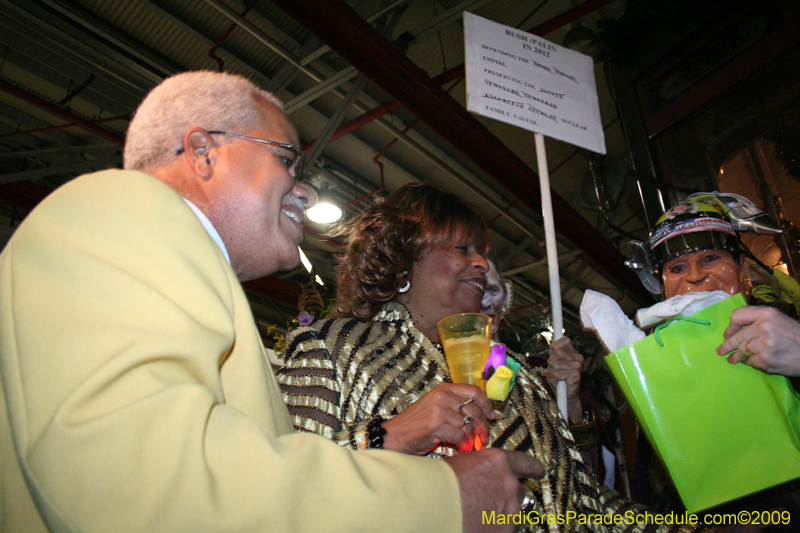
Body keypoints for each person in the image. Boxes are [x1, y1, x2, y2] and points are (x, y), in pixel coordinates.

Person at [0, 71, 543, 533]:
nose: (303, 190)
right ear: (201, 151)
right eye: (287, 158)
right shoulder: (118, 209)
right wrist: (441, 499)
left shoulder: (203, 295)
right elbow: (131, 487)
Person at [278, 184, 704, 533]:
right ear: (403, 259)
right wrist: (388, 436)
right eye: (462, 249)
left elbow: (586, 505)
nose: (481, 263)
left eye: (480, 251)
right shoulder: (333, 345)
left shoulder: (514, 375)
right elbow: (287, 491)